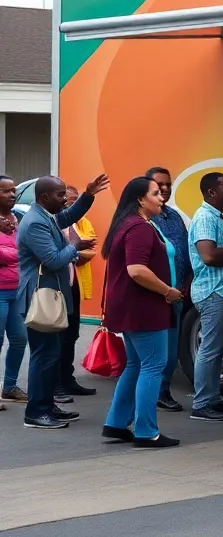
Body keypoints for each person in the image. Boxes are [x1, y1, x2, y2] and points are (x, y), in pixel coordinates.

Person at [16, 174, 108, 429]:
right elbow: (55, 259)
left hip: (51, 297)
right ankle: (35, 413)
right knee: (43, 357)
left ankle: (47, 406)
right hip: (40, 298)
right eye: (60, 195)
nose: (65, 199)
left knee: (51, 355)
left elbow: (68, 217)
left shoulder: (47, 216)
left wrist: (89, 194)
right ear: (45, 197)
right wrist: (75, 246)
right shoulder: (35, 222)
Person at [100, 177, 183, 449]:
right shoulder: (139, 227)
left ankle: (116, 422)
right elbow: (136, 270)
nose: (162, 197)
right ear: (140, 199)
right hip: (144, 308)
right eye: (156, 193)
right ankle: (147, 431)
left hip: (132, 308)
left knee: (136, 365)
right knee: (153, 366)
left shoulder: (130, 224)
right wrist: (167, 291)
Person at [188, 172, 223, 422]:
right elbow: (208, 256)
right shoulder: (205, 218)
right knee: (210, 349)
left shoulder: (216, 217)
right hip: (214, 291)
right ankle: (201, 404)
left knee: (217, 349)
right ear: (212, 192)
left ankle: (213, 399)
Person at [148, 167, 193, 412]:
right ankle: (150, 396)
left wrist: (186, 281)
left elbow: (185, 249)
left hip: (176, 294)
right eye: (159, 184)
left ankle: (162, 390)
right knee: (153, 351)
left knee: (171, 349)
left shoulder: (174, 216)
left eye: (168, 183)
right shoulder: (142, 217)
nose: (164, 188)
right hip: (154, 294)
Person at [56, 186, 99, 403]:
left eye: (72, 202)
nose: (69, 206)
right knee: (57, 336)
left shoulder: (79, 222)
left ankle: (67, 379)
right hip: (55, 287)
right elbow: (56, 256)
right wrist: (74, 250)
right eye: (66, 201)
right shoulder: (50, 222)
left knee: (72, 334)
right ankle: (55, 384)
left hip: (74, 284)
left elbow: (90, 251)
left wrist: (73, 251)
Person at [0, 174, 27, 409]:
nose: (12, 195)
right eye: (6, 191)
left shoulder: (18, 218)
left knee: (20, 339)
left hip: (17, 290)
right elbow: (20, 253)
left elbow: (27, 247)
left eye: (13, 190)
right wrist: (16, 256)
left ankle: (9, 387)